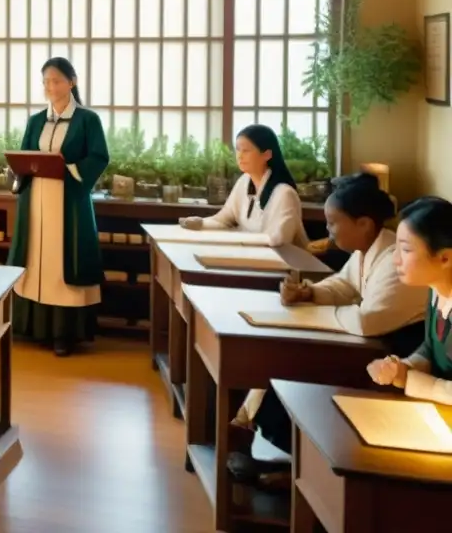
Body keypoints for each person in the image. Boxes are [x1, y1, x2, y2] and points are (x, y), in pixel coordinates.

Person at [228, 174, 427, 488]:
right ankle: (281, 454)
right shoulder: (366, 251)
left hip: (391, 357)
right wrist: (310, 293)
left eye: (334, 223)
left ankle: (298, 462)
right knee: (288, 355)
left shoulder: (392, 259)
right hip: (374, 346)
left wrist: (325, 309)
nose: (329, 230)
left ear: (363, 224)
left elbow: (367, 321)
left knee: (302, 365)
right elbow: (345, 284)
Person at [8, 57, 109, 357]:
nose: (50, 87)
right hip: (35, 200)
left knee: (63, 262)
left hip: (70, 203)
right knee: (35, 259)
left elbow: (99, 157)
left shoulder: (88, 120)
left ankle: (64, 334)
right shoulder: (36, 120)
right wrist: (18, 169)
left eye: (56, 80)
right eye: (46, 82)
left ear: (72, 82)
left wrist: (70, 169)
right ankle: (31, 328)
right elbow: (25, 154)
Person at [367, 196, 452, 405]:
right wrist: (401, 367)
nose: (396, 259)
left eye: (405, 250)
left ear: (445, 258)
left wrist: (408, 379)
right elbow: (429, 350)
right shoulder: (435, 292)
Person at [180, 124, 308, 247]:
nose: (240, 156)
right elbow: (224, 219)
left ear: (267, 155)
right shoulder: (244, 181)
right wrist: (200, 223)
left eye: (246, 150)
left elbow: (278, 240)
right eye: (238, 150)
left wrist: (236, 238)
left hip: (284, 263)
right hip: (253, 257)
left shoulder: (284, 193)